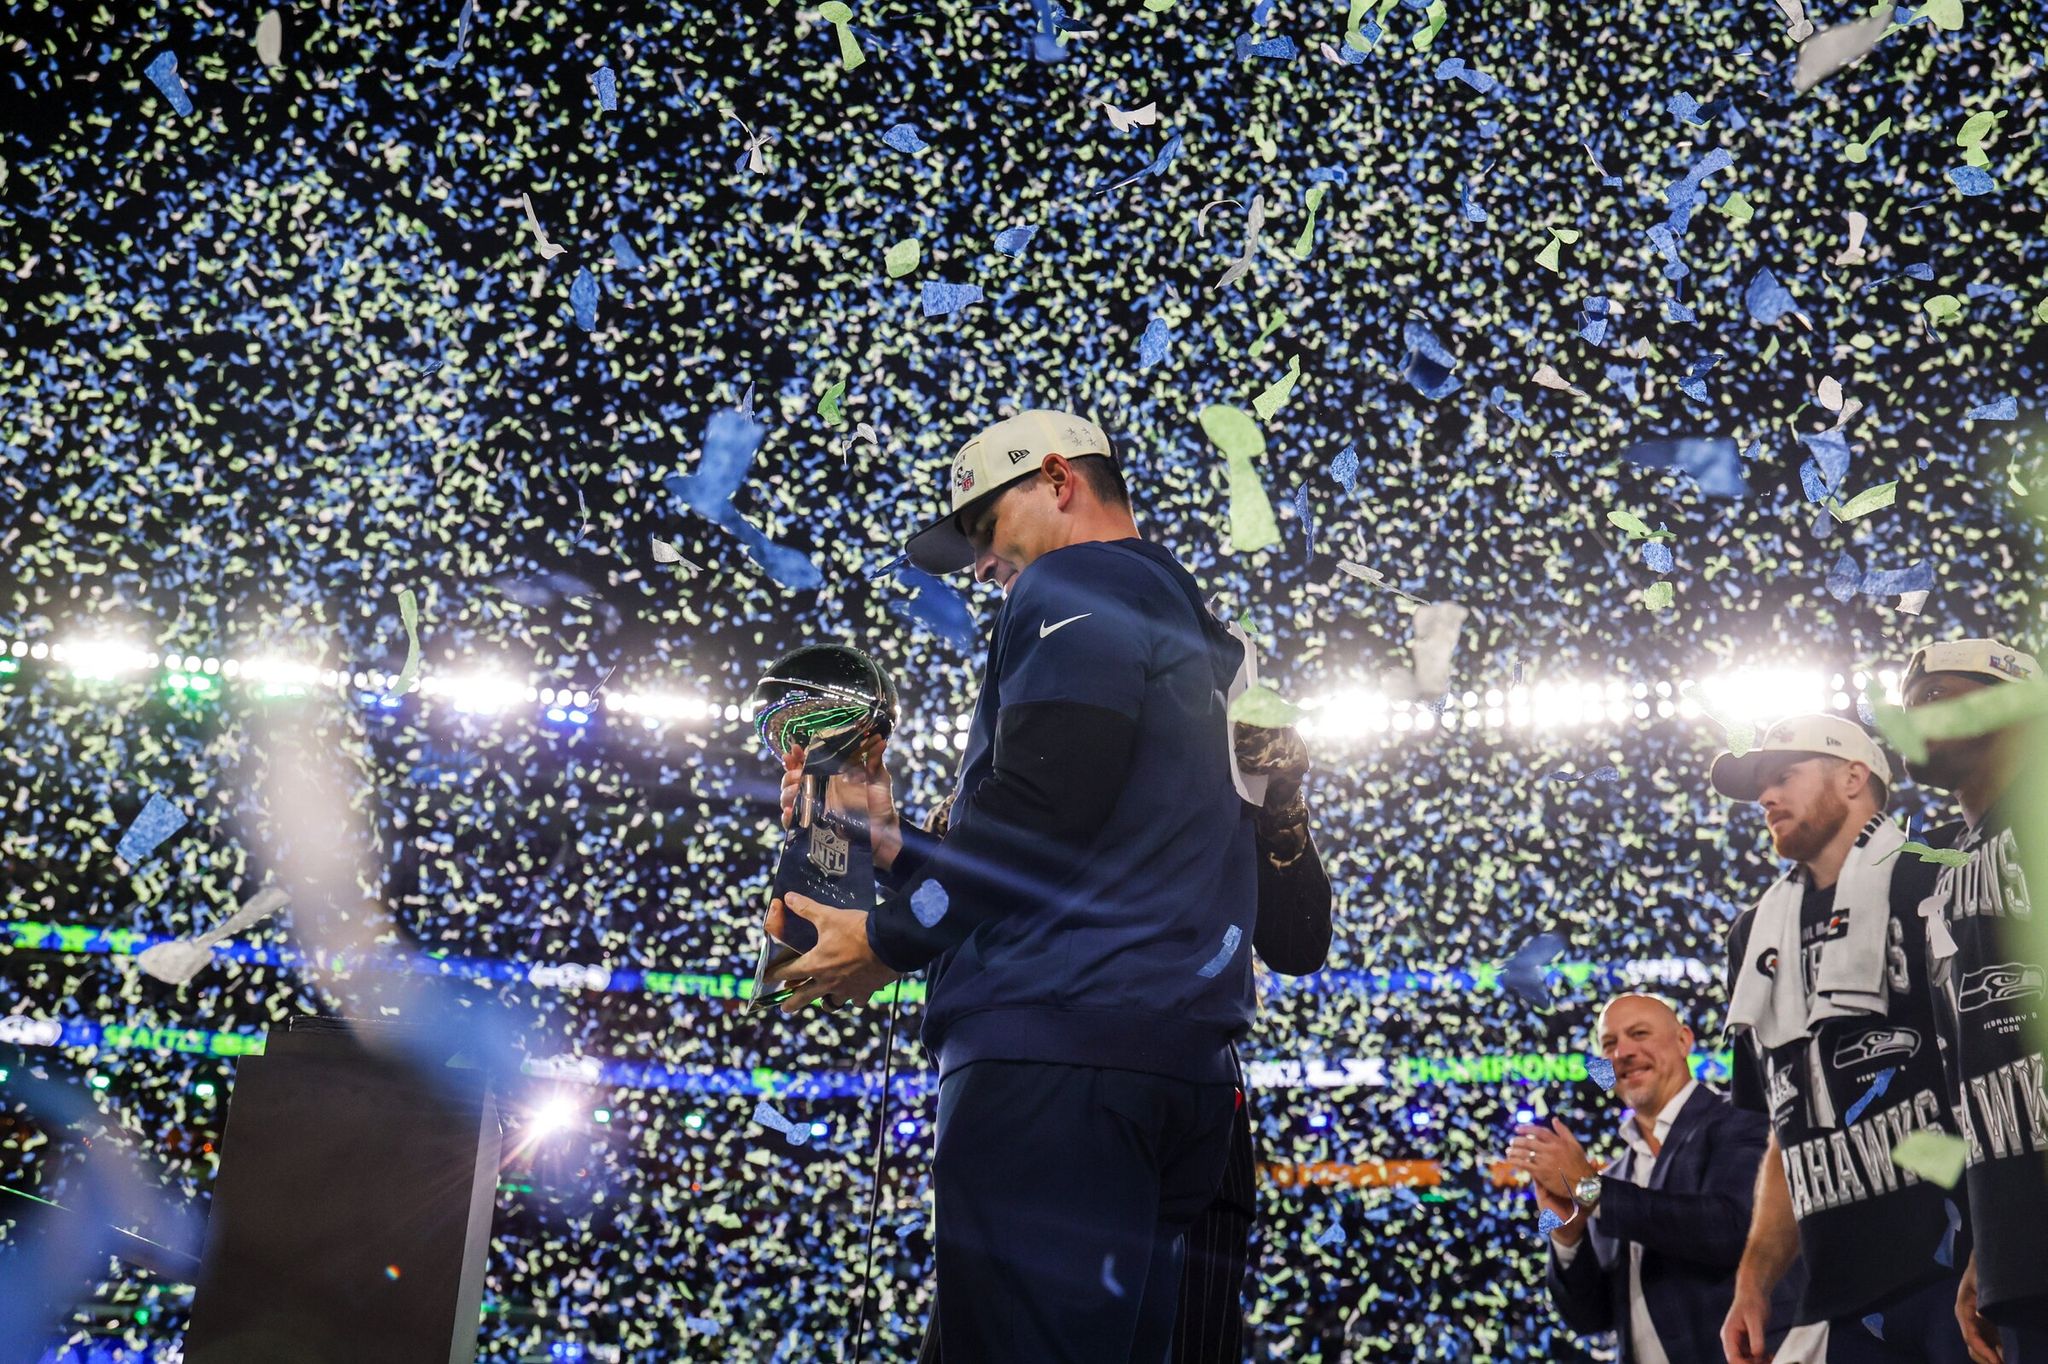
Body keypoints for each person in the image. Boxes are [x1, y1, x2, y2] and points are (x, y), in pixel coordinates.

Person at [766, 409, 1267, 1363]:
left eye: (988, 530)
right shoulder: (1197, 624)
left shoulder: (1077, 581)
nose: (984, 568)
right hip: (1168, 1069)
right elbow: (1093, 839)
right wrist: (894, 844)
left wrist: (888, 940)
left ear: (1056, 479)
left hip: (1056, 1065)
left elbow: (1042, 814)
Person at [783, 722, 1332, 1364]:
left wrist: (1280, 809)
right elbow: (989, 894)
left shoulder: (1205, 783)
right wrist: (881, 848)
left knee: (1177, 1339)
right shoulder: (1008, 798)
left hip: (1170, 1105)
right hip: (1031, 1104)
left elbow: (1298, 943)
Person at [1711, 714, 1968, 1364]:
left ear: (1855, 777)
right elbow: (1785, 1124)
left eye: (1783, 776)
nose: (1766, 797)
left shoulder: (1937, 878)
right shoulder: (1754, 937)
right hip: (1842, 1296)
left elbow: (2002, 1063)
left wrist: (2002, 1243)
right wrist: (1754, 1276)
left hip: (1956, 1265)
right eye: (1760, 785)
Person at [1899, 638, 2048, 1364]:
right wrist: (1986, 1247)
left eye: (1934, 698)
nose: (1911, 719)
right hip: (2019, 1253)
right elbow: (1986, 1072)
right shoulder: (1953, 870)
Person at [1509, 994, 1801, 1364]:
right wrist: (1568, 1233)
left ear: (1683, 1041)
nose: (1623, 1052)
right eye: (1609, 1044)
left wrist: (1590, 1190)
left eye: (1639, 1033)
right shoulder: (1614, 1176)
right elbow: (1590, 1319)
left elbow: (1733, 1229)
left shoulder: (1743, 1118)